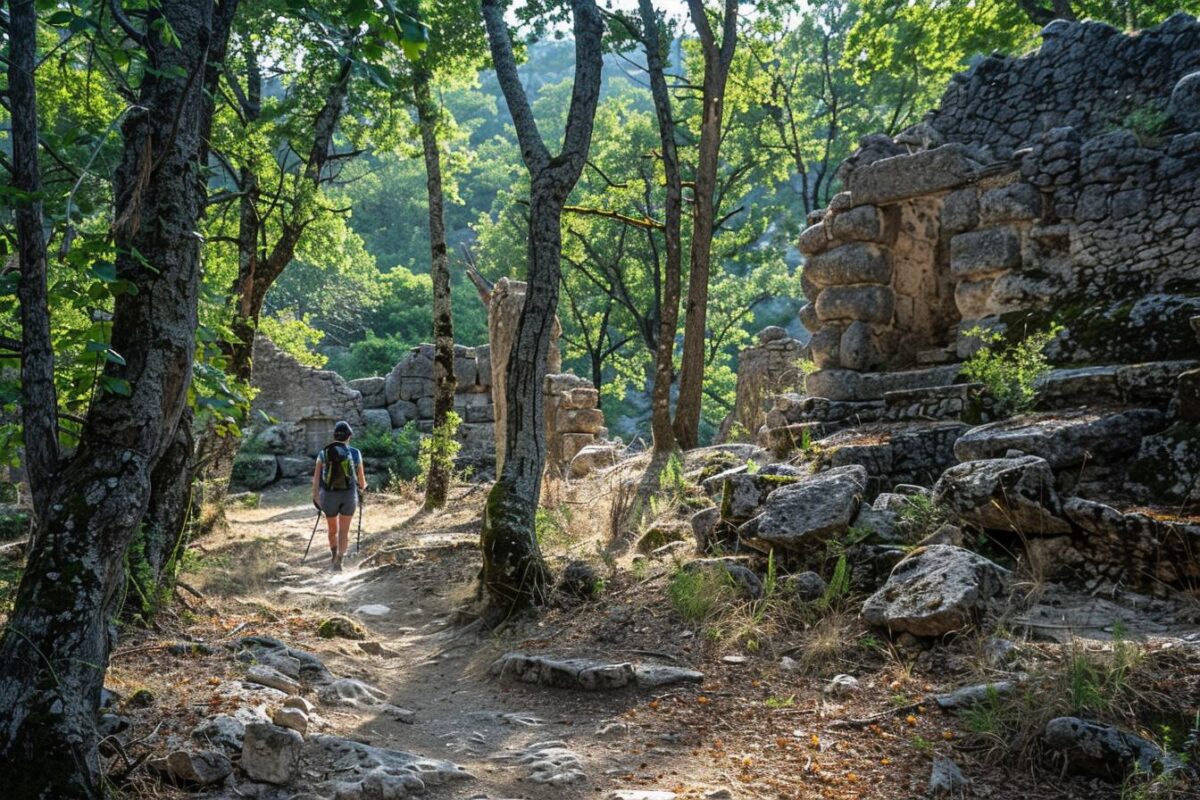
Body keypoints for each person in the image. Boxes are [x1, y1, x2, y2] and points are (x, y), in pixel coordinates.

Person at [311, 420, 367, 570]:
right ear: (349, 436)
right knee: (344, 530)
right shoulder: (355, 453)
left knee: (332, 530)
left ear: (334, 435)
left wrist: (316, 497)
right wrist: (362, 489)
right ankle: (340, 561)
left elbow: (316, 479)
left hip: (328, 496)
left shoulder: (323, 453)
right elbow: (361, 480)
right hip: (348, 495)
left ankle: (334, 555)